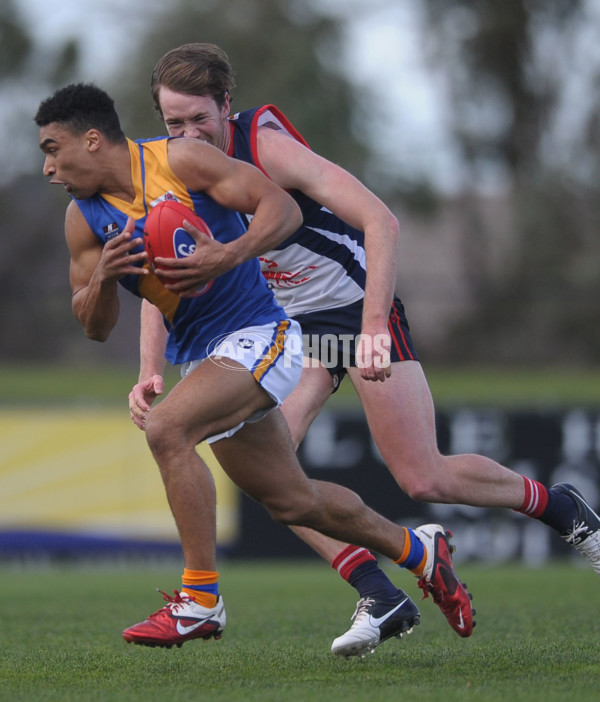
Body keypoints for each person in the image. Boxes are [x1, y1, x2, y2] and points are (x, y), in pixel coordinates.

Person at [129, 43, 600, 657]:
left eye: (200, 120)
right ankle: (380, 592)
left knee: (422, 475)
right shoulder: (168, 171)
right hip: (288, 326)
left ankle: (562, 508)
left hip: (353, 308)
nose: (189, 135)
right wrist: (147, 370)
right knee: (276, 483)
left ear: (226, 105)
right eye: (174, 125)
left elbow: (380, 220)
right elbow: (159, 275)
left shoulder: (266, 147)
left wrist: (375, 325)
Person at [34, 82, 475, 655]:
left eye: (52, 148)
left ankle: (199, 602)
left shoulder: (181, 159)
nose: (47, 168)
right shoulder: (82, 220)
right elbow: (93, 325)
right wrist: (103, 278)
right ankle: (420, 551)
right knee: (293, 502)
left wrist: (227, 254)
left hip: (264, 332)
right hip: (205, 355)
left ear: (92, 140)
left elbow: (283, 208)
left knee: (168, 429)